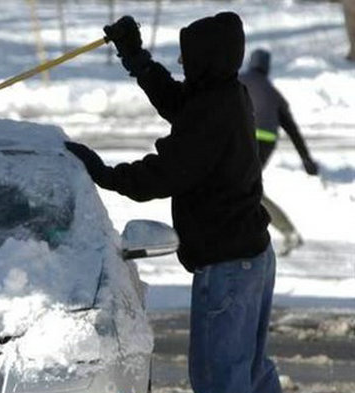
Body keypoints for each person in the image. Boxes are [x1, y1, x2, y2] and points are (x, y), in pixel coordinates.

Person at [65, 13, 282, 393]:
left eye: (188, 58)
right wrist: (137, 59)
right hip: (252, 259)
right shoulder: (226, 93)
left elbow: (167, 172)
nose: (183, 64)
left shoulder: (214, 111)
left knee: (220, 381)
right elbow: (179, 103)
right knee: (248, 374)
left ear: (206, 59)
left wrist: (106, 174)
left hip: (229, 266)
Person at [240, 49, 319, 256]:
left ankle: (286, 232)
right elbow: (291, 128)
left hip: (245, 140)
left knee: (242, 188)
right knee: (247, 188)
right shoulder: (273, 93)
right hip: (267, 143)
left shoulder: (240, 81)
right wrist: (306, 158)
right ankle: (284, 232)